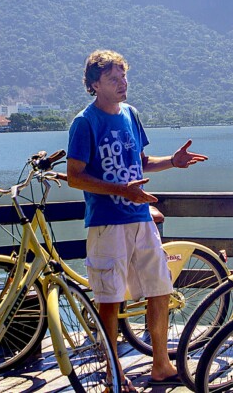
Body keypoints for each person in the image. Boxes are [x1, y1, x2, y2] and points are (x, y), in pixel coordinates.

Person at [67, 50, 207, 391]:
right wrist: (120, 190)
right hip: (107, 223)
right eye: (113, 79)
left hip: (140, 218)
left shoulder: (131, 114)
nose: (122, 84)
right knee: (110, 298)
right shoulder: (85, 122)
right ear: (94, 84)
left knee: (161, 289)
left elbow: (141, 162)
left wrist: (172, 161)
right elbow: (74, 176)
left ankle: (161, 364)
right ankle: (113, 372)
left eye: (124, 77)